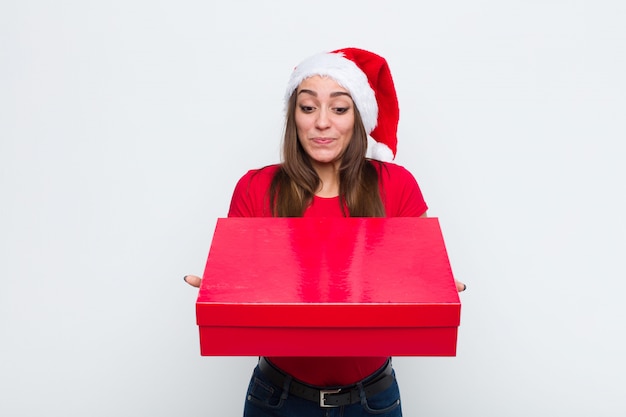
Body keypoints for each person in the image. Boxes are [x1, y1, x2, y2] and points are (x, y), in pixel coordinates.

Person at [184, 47, 466, 417]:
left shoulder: (396, 185)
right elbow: (244, 284)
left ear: (358, 117)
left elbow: (421, 274)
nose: (321, 123)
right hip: (277, 398)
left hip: (373, 401)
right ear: (294, 117)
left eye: (339, 108)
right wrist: (223, 288)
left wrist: (436, 285)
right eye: (308, 107)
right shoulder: (255, 187)